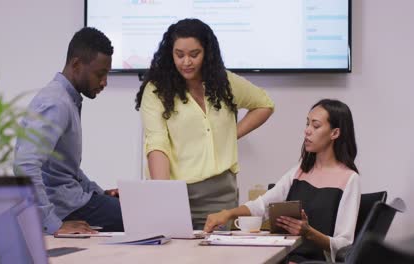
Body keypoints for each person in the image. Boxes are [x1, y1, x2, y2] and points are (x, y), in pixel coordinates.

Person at [135, 18, 275, 230]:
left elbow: (264, 105)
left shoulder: (224, 83)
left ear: (207, 53)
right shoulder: (156, 90)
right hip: (177, 194)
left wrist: (230, 135)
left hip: (220, 197)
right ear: (170, 53)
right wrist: (162, 196)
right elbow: (157, 144)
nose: (186, 62)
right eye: (179, 55)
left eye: (194, 54)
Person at [204, 99, 361, 263]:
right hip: (285, 257)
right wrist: (227, 214)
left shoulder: (349, 179)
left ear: (335, 133)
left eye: (315, 126)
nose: (307, 131)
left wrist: (308, 232)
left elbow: (344, 245)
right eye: (307, 124)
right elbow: (262, 205)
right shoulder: (299, 170)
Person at [14, 27, 123, 235]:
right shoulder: (55, 102)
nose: (104, 82)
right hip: (63, 208)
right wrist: (52, 224)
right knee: (136, 216)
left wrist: (100, 193)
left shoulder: (67, 99)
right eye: (100, 74)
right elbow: (24, 165)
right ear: (76, 65)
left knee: (129, 209)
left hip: (69, 199)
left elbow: (64, 170)